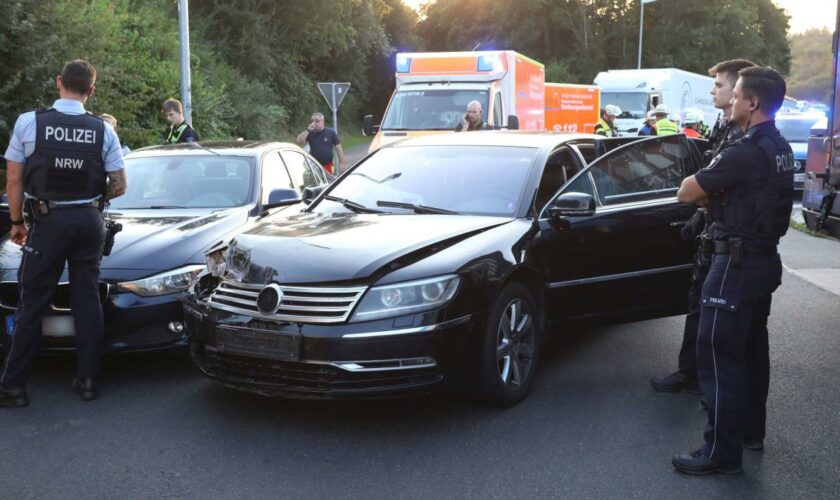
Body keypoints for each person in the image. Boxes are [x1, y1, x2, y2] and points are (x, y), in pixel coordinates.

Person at [672, 66, 794, 475]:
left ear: (752, 103)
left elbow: (686, 191)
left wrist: (711, 197)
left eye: (737, 94)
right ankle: (748, 433)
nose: (733, 100)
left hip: (734, 265)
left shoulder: (742, 150)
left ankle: (719, 453)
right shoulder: (778, 147)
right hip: (763, 262)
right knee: (753, 351)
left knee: (718, 354)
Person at [0, 59, 127, 408]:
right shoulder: (104, 130)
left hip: (48, 221)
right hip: (89, 221)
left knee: (32, 303)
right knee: (87, 299)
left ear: (59, 82)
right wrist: (89, 198)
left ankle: (13, 387)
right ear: (91, 90)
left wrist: (16, 222)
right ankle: (88, 381)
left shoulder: (30, 122)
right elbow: (119, 185)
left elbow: (13, 179)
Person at [650, 59, 757, 396]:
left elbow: (713, 188)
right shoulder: (724, 126)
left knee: (717, 319)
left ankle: (706, 385)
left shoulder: (743, 135)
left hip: (728, 237)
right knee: (698, 306)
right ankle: (691, 373)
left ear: (741, 92)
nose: (714, 91)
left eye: (721, 86)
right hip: (711, 232)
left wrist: (705, 199)